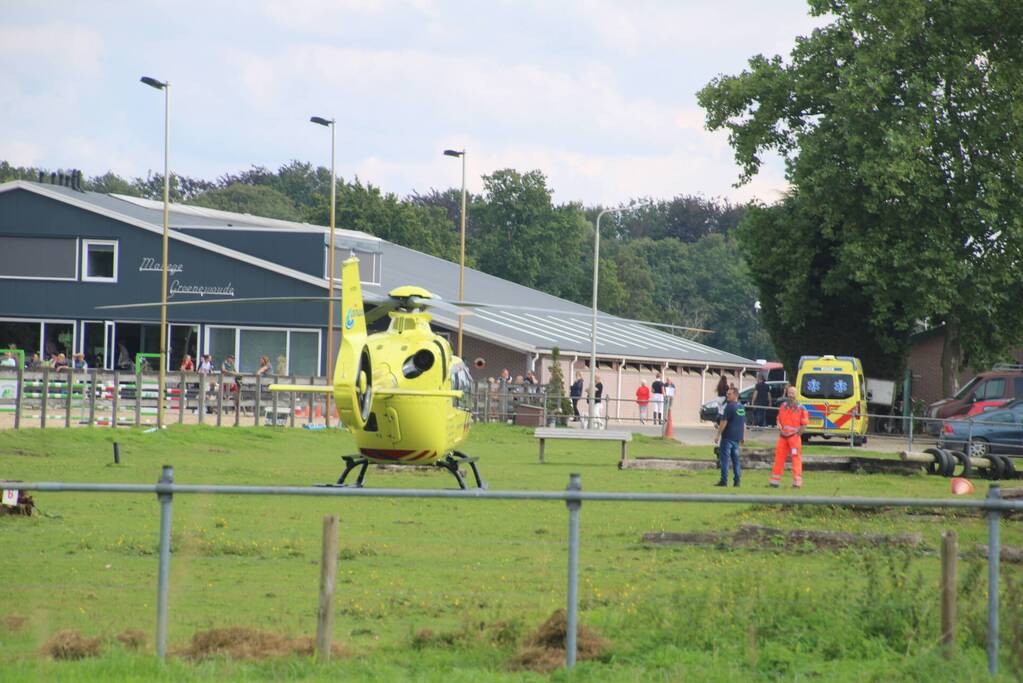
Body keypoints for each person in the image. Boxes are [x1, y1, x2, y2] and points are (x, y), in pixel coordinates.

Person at [770, 385, 809, 488]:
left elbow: (804, 424)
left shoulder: (801, 408)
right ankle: (774, 482)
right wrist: (778, 424)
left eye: (792, 393)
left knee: (796, 459)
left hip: (794, 438)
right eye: (789, 393)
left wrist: (797, 435)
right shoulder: (783, 406)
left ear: (796, 395)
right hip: (783, 437)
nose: (790, 395)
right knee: (779, 458)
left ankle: (797, 482)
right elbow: (778, 418)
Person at [713, 387, 745, 487]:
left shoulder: (729, 407)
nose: (727, 396)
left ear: (735, 395)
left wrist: (718, 435)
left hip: (727, 437)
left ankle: (724, 480)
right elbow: (743, 423)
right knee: (736, 460)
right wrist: (743, 436)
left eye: (729, 394)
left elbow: (723, 422)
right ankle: (737, 481)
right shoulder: (741, 407)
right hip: (737, 438)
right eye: (727, 394)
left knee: (725, 460)